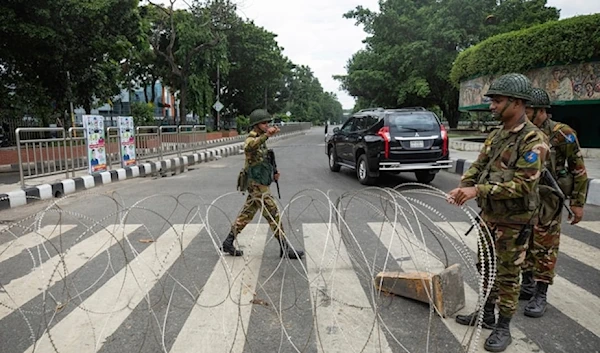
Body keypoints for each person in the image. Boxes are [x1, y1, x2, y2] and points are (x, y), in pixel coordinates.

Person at [447, 73, 548, 352]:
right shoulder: (497, 135)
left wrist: (477, 191)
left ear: (517, 103)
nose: (492, 106)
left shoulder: (533, 140)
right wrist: (464, 186)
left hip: (514, 221)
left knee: (507, 274)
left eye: (498, 101)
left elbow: (524, 185)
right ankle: (486, 314)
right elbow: (479, 167)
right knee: (486, 268)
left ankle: (503, 326)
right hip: (489, 217)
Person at [519, 87, 588, 317]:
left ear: (540, 111)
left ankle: (541, 292)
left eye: (527, 109)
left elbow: (578, 170)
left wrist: (578, 203)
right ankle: (527, 284)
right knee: (525, 241)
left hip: (548, 198)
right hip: (525, 197)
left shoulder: (562, 134)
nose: (523, 113)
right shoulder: (523, 132)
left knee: (545, 245)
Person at [221, 109, 305, 259]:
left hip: (260, 183)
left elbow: (262, 161)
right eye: (264, 123)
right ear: (256, 124)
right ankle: (284, 247)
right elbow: (248, 147)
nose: (267, 125)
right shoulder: (253, 138)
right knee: (273, 214)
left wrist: (273, 173)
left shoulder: (261, 139)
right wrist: (267, 135)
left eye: (268, 123)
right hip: (256, 186)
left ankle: (228, 241)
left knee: (246, 214)